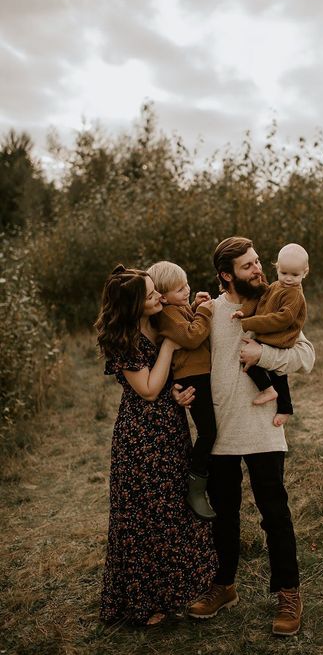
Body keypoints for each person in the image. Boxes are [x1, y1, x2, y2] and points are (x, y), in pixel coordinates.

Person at [186, 237, 315, 636]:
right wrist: (179, 389)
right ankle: (224, 586)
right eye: (248, 266)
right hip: (223, 432)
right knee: (223, 515)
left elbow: (306, 356)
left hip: (263, 428)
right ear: (226, 275)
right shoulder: (209, 312)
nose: (258, 270)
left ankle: (289, 593)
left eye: (258, 262)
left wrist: (264, 357)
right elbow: (185, 356)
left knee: (274, 514)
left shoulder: (278, 301)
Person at [95, 264, 217, 626]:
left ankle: (172, 591)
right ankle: (141, 603)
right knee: (144, 519)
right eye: (150, 296)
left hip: (170, 427)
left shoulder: (158, 319)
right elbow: (147, 389)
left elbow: (166, 379)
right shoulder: (124, 340)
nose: (159, 298)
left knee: (170, 512)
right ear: (134, 305)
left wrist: (177, 389)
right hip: (141, 438)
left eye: (156, 291)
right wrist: (169, 346)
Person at [147, 260, 216, 521]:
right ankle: (195, 485)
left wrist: (195, 306)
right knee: (208, 431)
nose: (186, 290)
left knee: (211, 429)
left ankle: (201, 480)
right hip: (192, 378)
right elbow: (192, 336)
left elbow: (187, 320)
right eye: (180, 290)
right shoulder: (165, 314)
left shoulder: (175, 308)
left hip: (199, 374)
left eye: (186, 284)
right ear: (163, 297)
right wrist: (205, 313)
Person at [232, 242, 309, 427]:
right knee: (272, 372)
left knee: (272, 370)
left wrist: (249, 323)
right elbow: (262, 298)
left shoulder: (294, 295)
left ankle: (273, 395)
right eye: (284, 273)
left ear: (305, 272)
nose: (288, 279)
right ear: (277, 268)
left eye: (295, 275)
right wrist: (244, 311)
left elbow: (282, 319)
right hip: (271, 336)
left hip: (280, 337)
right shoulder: (276, 285)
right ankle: (283, 405)